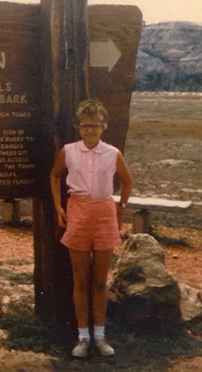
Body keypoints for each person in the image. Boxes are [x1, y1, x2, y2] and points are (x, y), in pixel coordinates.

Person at [50, 99, 132, 358]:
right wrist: (58, 207)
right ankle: (82, 337)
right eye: (85, 126)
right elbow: (54, 175)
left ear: (104, 126)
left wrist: (120, 208)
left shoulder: (112, 153)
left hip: (105, 213)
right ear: (78, 127)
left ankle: (100, 335)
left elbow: (127, 182)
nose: (90, 130)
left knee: (99, 280)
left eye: (95, 125)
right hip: (78, 211)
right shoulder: (69, 151)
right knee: (81, 278)